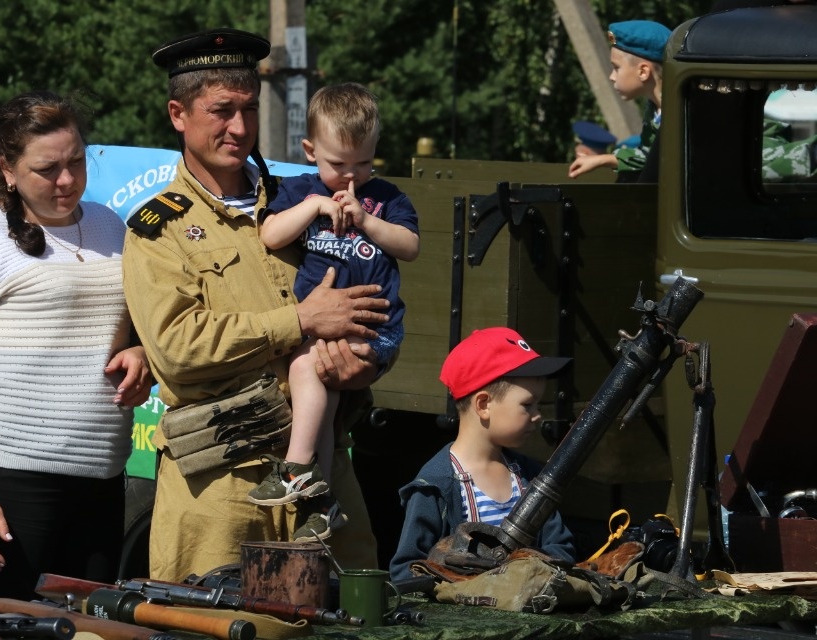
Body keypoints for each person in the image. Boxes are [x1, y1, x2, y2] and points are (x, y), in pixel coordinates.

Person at [121, 29, 389, 582]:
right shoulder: (159, 229)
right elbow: (176, 349)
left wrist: (367, 363)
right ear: (178, 114)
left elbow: (376, 293)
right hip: (225, 491)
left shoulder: (305, 202)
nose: (240, 129)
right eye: (221, 111)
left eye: (249, 109)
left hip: (323, 478)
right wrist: (301, 320)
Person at [0, 90, 151, 599]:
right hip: (10, 484)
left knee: (88, 632)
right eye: (47, 169)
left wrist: (141, 353)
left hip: (102, 481)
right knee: (4, 628)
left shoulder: (112, 227)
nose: (66, 180)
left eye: (75, 162)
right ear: (7, 168)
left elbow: (135, 328)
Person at [247, 83, 420, 541]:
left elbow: (411, 246)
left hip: (371, 328)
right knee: (321, 405)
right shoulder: (302, 192)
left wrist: (366, 220)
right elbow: (270, 235)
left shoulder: (385, 198)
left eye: (363, 164)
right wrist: (314, 206)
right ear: (310, 151)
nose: (350, 177)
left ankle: (297, 469)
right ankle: (317, 504)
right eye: (337, 165)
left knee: (307, 370)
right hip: (321, 326)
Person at [389, 327, 576, 581]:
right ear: (484, 404)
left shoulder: (532, 479)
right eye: (527, 404)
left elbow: (561, 549)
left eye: (539, 404)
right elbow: (406, 570)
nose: (538, 415)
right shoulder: (436, 485)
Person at [568, 20, 671, 182]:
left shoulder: (679, 111)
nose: (612, 77)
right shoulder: (655, 109)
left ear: (643, 72)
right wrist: (603, 160)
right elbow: (647, 155)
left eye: (616, 68)